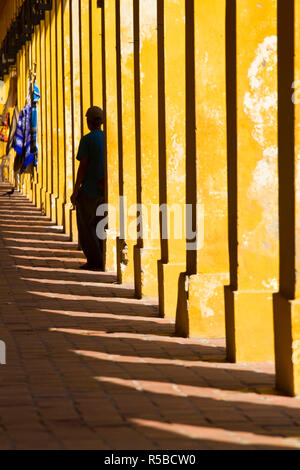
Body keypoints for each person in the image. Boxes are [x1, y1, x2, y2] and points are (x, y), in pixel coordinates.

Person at [71, 106, 105, 271]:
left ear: (89, 122)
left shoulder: (87, 139)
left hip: (90, 190)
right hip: (105, 189)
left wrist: (76, 190)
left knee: (86, 225)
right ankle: (103, 257)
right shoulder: (107, 138)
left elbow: (83, 167)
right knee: (101, 225)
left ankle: (94, 260)